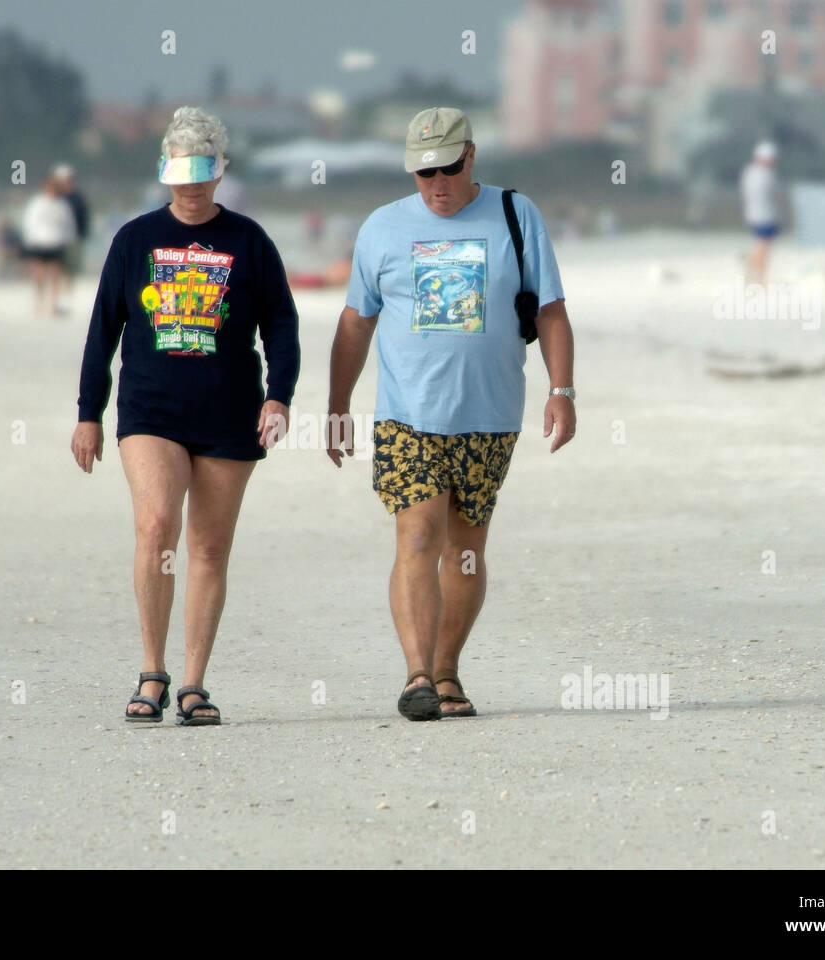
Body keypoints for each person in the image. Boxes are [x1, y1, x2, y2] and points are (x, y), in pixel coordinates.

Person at [326, 107, 574, 721]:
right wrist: (337, 407)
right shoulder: (383, 228)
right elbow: (356, 322)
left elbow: (550, 310)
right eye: (422, 172)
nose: (436, 183)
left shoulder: (516, 215)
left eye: (447, 168)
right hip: (407, 413)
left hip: (490, 413)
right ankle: (416, 676)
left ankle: (445, 670)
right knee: (417, 534)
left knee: (465, 549)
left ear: (471, 156)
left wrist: (561, 391)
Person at [71, 106, 300, 726]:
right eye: (180, 174)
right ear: (164, 174)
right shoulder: (134, 239)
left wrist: (280, 396)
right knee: (156, 527)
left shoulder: (249, 241)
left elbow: (281, 324)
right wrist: (89, 412)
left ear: (220, 173)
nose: (191, 187)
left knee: (209, 546)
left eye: (203, 173)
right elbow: (104, 331)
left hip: (231, 412)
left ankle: (194, 685)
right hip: (151, 410)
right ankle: (152, 672)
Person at [21, 176, 75, 316]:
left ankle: (53, 303)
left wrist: (69, 240)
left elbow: (68, 224)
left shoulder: (62, 205)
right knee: (39, 274)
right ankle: (38, 302)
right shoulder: (38, 203)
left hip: (56, 242)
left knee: (55, 275)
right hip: (40, 241)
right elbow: (30, 222)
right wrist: (30, 239)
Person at [740, 142, 780, 285]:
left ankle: (756, 275)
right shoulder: (766, 175)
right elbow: (772, 195)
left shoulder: (749, 172)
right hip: (765, 215)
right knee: (763, 247)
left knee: (761, 246)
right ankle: (758, 277)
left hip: (753, 214)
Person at [54, 164, 90, 296]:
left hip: (74, 238)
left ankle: (68, 291)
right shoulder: (56, 198)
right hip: (57, 238)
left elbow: (83, 217)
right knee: (57, 266)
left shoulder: (77, 199)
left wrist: (82, 234)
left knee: (71, 267)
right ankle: (57, 291)